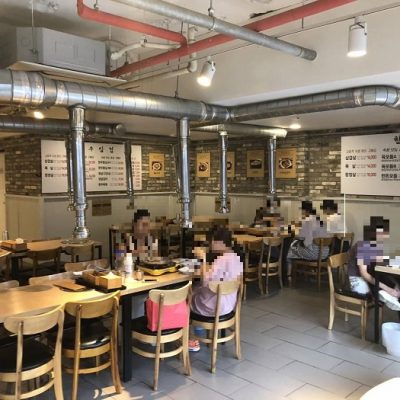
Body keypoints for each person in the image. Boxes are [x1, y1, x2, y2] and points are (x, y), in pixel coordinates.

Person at [190, 226, 243, 351]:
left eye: (212, 241)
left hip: (216, 307)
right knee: (196, 290)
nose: (210, 244)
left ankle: (195, 337)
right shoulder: (236, 257)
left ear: (219, 242)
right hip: (230, 305)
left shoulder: (221, 260)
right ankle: (200, 331)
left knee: (188, 296)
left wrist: (202, 258)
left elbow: (205, 281)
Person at [348, 217, 400, 309]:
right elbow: (364, 274)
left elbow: (379, 262)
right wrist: (388, 289)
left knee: (392, 283)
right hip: (358, 277)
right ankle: (383, 297)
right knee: (375, 295)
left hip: (370, 273)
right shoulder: (364, 246)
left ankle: (387, 297)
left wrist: (395, 284)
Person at [286, 200, 330, 280]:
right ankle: (306, 270)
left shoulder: (308, 221)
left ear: (305, 211)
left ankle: (289, 275)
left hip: (314, 254)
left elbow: (304, 240)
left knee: (291, 247)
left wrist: (295, 234)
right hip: (325, 253)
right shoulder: (321, 221)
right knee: (299, 245)